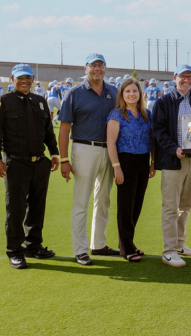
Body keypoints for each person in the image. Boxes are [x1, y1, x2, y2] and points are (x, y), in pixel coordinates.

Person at [0, 64, 60, 269]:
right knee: (16, 209)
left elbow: (48, 132)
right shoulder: (3, 102)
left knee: (37, 206)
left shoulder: (40, 102)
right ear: (12, 79)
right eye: (20, 78)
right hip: (15, 163)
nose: (24, 81)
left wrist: (54, 154)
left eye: (28, 77)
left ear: (33, 78)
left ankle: (33, 246)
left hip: (39, 162)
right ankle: (15, 251)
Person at [58, 53, 120, 266]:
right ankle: (81, 250)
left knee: (103, 200)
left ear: (105, 68)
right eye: (93, 66)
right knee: (81, 201)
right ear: (85, 69)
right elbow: (64, 127)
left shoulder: (114, 91)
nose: (97, 69)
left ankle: (98, 244)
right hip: (84, 148)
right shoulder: (74, 93)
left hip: (110, 151)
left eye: (100, 65)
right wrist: (64, 159)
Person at [152, 64, 191, 267]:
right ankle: (168, 251)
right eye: (183, 76)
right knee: (170, 207)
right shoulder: (164, 102)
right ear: (174, 78)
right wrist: (173, 148)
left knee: (186, 205)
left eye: (190, 76)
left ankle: (180, 244)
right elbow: (158, 131)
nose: (186, 80)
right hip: (173, 161)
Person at [107, 78, 156, 263]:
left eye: (134, 91)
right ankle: (126, 248)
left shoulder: (146, 114)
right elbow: (111, 142)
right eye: (127, 91)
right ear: (122, 94)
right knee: (126, 206)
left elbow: (151, 139)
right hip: (125, 161)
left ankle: (130, 243)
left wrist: (153, 161)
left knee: (137, 205)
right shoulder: (117, 115)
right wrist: (116, 167)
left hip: (143, 161)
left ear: (140, 94)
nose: (131, 94)